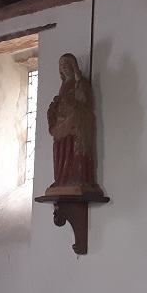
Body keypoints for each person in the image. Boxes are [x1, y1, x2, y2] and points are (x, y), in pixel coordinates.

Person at [46, 54, 100, 192]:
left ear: (73, 66)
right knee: (61, 147)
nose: (64, 68)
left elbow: (86, 100)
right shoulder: (63, 85)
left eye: (67, 65)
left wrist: (78, 82)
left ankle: (78, 178)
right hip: (62, 121)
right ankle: (62, 179)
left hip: (76, 121)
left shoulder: (80, 81)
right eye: (62, 66)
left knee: (74, 147)